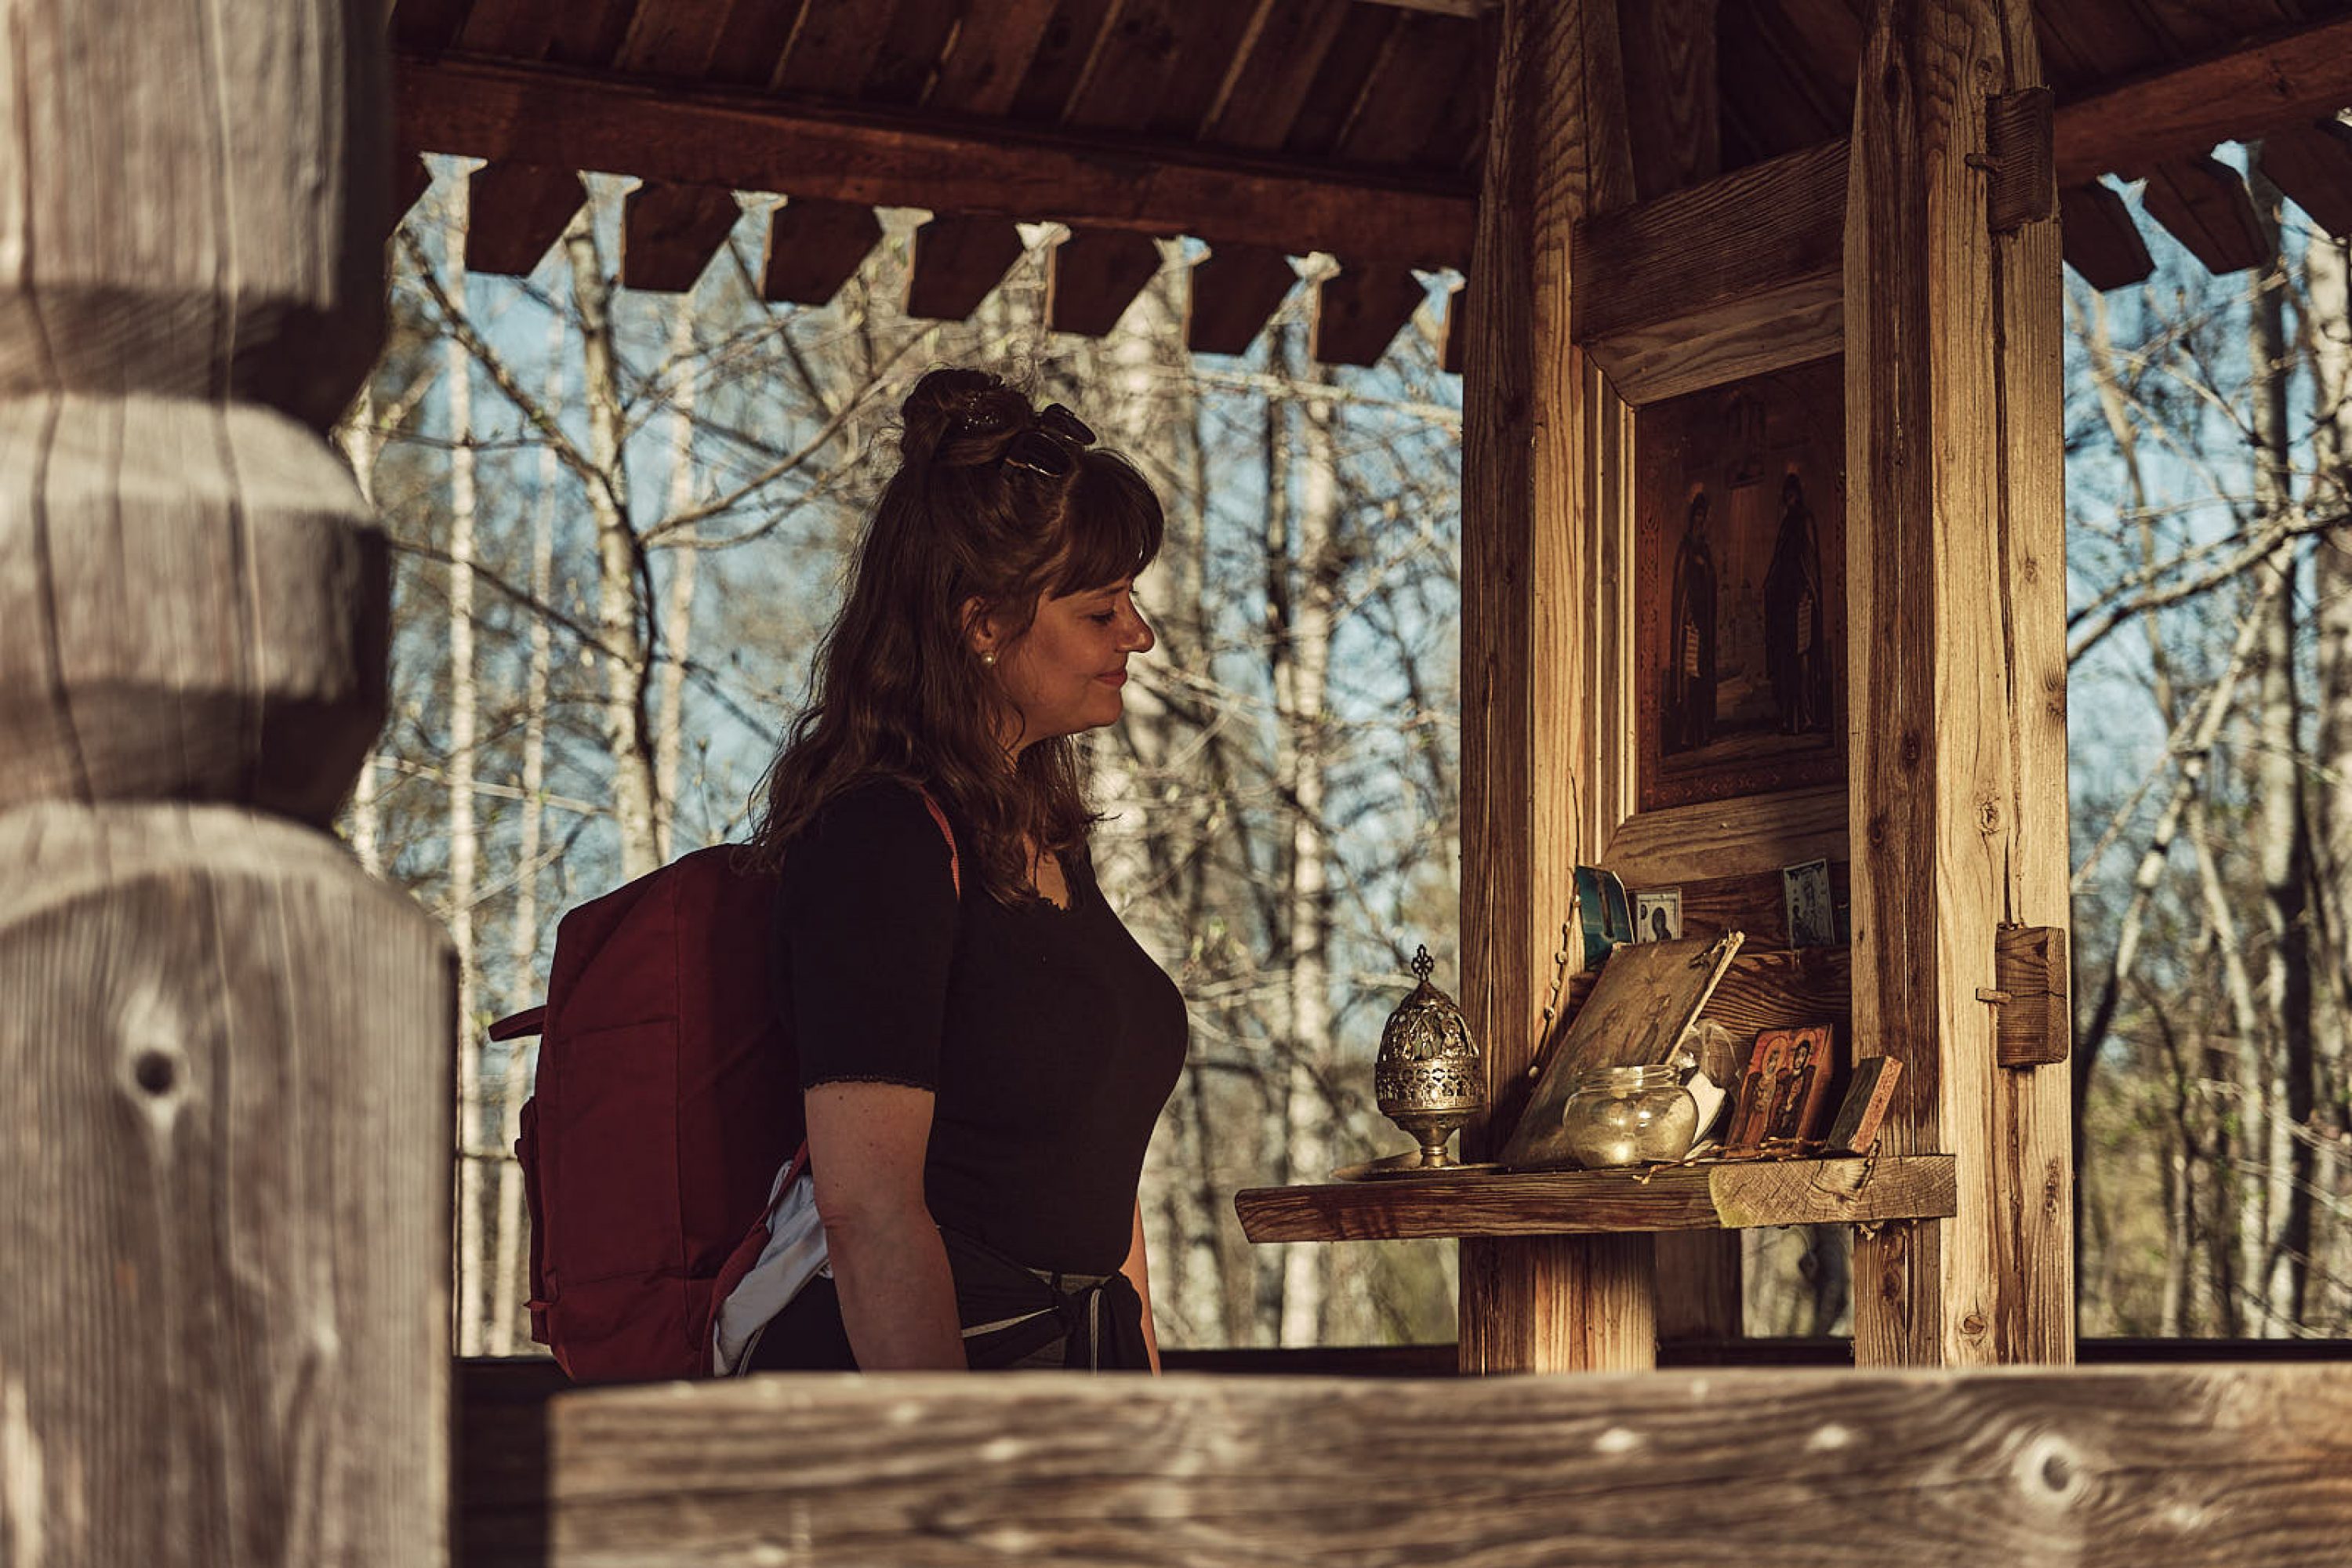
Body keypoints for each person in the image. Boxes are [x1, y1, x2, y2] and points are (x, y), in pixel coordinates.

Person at [739, 368, 1187, 1374]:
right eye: (1100, 609)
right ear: (983, 624)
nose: (1138, 634)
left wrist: (1145, 1410)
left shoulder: (1041, 830)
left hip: (1068, 1376)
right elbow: (870, 1213)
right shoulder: (876, 839)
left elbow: (1099, 1186)